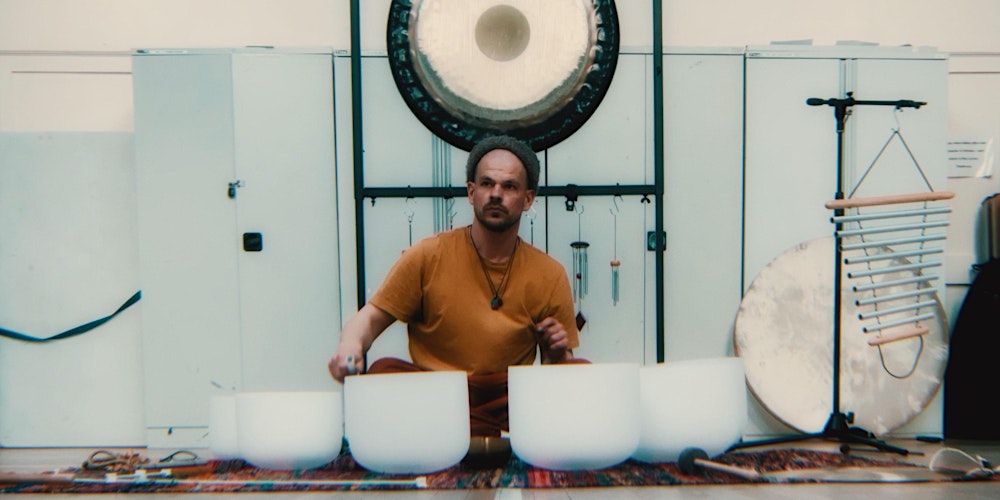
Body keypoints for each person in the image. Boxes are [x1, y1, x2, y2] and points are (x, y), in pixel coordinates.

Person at [328, 135, 582, 437]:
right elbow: (369, 318)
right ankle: (475, 433)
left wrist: (554, 352)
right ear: (471, 192)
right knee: (384, 372)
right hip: (435, 393)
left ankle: (456, 432)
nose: (496, 194)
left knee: (582, 377)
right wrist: (350, 347)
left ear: (528, 199)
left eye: (509, 186)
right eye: (487, 184)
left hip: (506, 398)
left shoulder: (550, 273)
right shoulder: (427, 255)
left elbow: (560, 374)